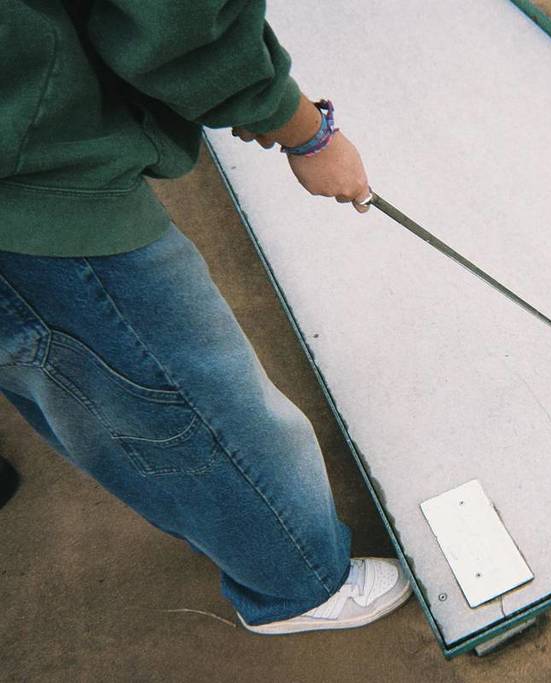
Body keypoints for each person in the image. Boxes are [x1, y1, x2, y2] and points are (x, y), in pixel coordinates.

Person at [0, 1, 411, 634]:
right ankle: (296, 585)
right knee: (188, 402)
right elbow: (176, 22)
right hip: (32, 182)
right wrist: (305, 130)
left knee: (55, 368)